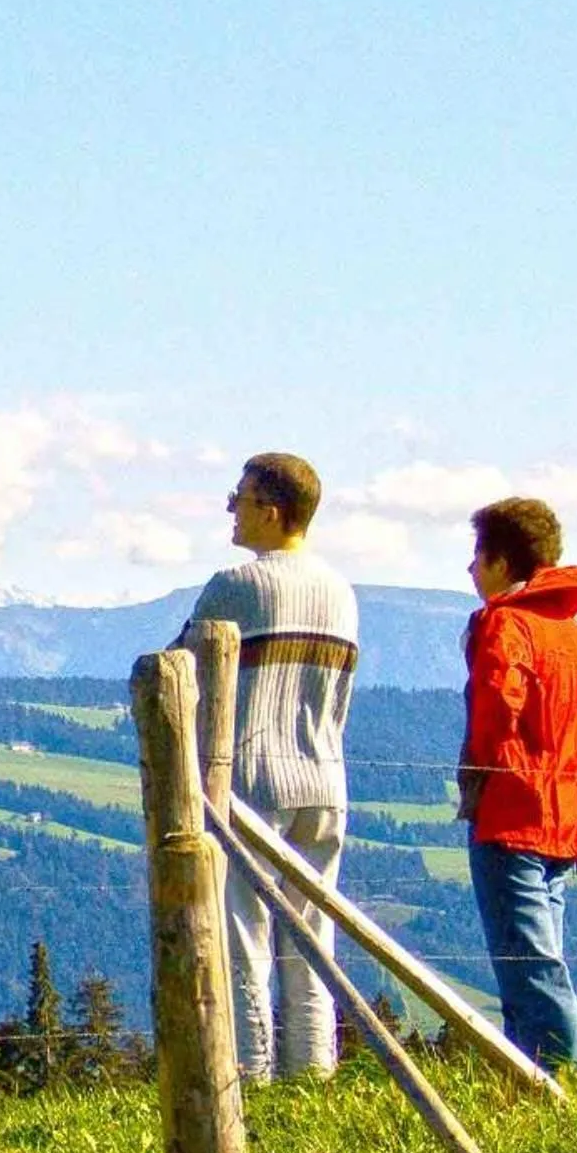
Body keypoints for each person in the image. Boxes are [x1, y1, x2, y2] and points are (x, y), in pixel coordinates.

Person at [181, 451, 359, 1081]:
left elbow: (178, 671)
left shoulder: (237, 586)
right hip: (325, 779)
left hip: (252, 780)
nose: (231, 508)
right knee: (312, 942)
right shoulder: (341, 591)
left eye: (241, 497)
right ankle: (314, 1078)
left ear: (271, 511)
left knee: (243, 936)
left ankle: (250, 1078)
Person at [459, 497, 577, 1073]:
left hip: (512, 812)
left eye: (478, 556)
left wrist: (483, 769)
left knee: (529, 966)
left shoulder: (505, 624)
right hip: (569, 817)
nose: (472, 569)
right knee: (540, 958)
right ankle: (532, 1081)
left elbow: (494, 710)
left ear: (503, 562)